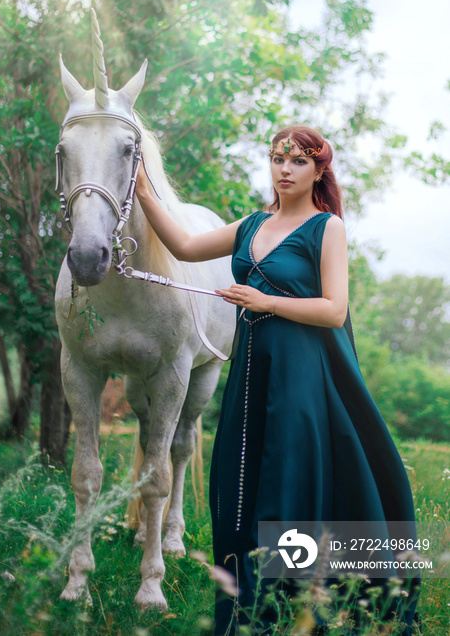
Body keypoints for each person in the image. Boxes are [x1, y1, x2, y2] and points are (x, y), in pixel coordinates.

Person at [134, 125, 420, 635]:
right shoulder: (251, 224)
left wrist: (265, 301)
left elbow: (334, 310)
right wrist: (142, 188)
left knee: (287, 480)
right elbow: (182, 245)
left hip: (304, 376)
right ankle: (248, 603)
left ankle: (293, 603)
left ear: (318, 171)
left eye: (298, 161)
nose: (284, 169)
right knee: (239, 478)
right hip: (250, 375)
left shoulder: (326, 228)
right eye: (277, 158)